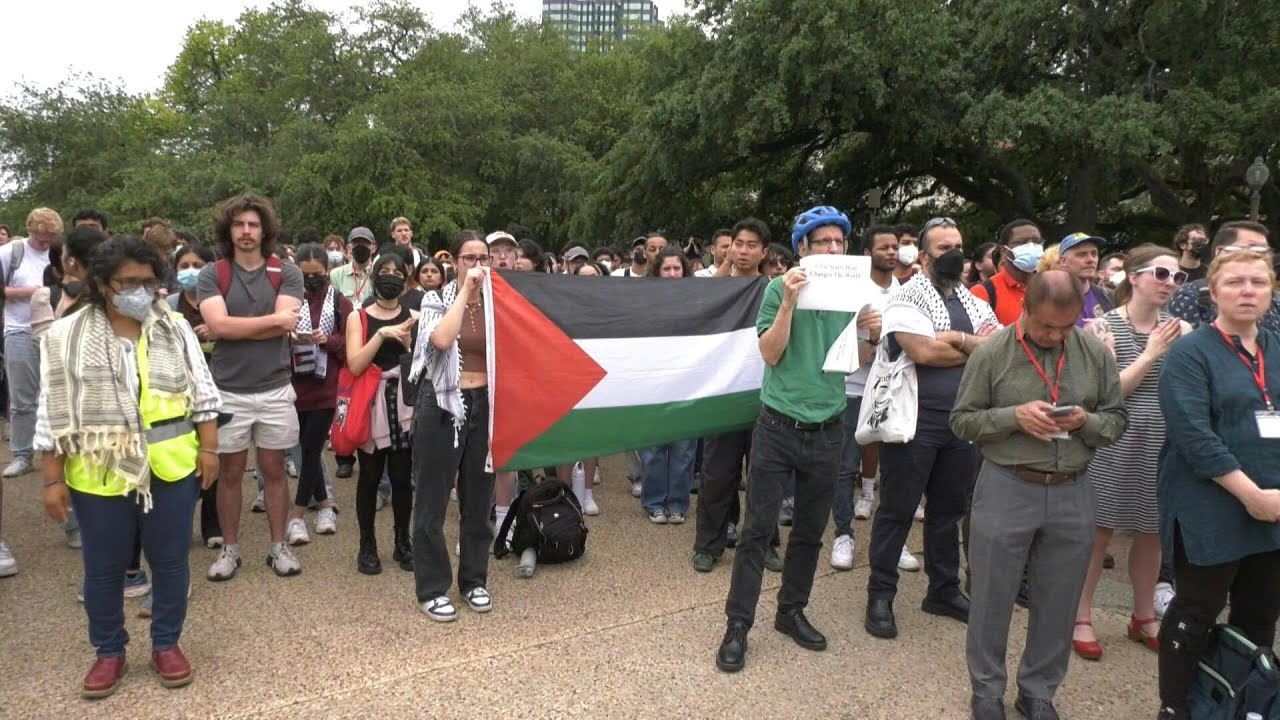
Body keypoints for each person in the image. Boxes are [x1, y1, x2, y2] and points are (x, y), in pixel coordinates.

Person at [37, 236, 222, 698]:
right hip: (100, 472)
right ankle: (108, 652)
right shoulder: (65, 336)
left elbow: (204, 395)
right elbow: (52, 412)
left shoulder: (174, 328)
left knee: (171, 562)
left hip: (172, 466)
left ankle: (166, 645)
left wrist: (211, 450)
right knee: (103, 568)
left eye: (148, 282)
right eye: (127, 282)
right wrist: (52, 480)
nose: (139, 291)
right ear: (102, 283)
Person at [951, 270, 1126, 720]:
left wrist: (1083, 422)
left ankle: (1038, 690)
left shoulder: (1093, 354)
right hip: (1008, 484)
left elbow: (1116, 421)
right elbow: (963, 421)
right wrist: (1013, 416)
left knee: (1059, 598)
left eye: (1065, 327)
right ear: (1025, 309)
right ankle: (987, 691)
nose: (1055, 335)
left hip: (1072, 488)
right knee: (992, 595)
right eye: (1046, 326)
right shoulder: (991, 353)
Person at [716, 206, 853, 673]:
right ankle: (738, 624)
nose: (833, 249)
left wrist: (871, 333)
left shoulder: (851, 295)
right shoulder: (776, 289)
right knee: (757, 530)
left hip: (829, 427)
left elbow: (858, 359)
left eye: (839, 242)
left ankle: (791, 611)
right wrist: (791, 302)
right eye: (823, 242)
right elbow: (771, 353)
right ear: (803, 249)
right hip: (778, 426)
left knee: (811, 532)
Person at [1154, 247, 1280, 720]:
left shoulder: (1275, 348)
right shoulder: (1190, 353)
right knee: (1196, 612)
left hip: (1273, 504)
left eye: (1258, 282)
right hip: (1210, 502)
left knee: (1260, 615)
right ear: (1213, 292)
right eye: (1235, 282)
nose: (1247, 291)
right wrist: (1250, 495)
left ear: (1271, 290)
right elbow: (1193, 434)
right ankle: (1177, 706)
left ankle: (1246, 704)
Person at [864, 217, 999, 641]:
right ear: (923, 256)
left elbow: (999, 349)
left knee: (947, 511)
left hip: (961, 421)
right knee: (897, 510)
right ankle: (880, 594)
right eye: (944, 248)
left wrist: (955, 338)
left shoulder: (973, 300)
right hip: (913, 422)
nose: (955, 254)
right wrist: (969, 346)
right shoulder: (905, 297)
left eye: (959, 244)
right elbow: (921, 351)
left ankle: (942, 590)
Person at [1073, 245, 1191, 663]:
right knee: (1099, 530)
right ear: (1134, 277)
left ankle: (1143, 616)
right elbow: (1107, 396)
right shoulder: (1102, 327)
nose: (1170, 284)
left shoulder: (1183, 331)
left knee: (1152, 532)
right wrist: (1151, 353)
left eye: (1178, 278)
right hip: (1114, 439)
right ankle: (1081, 615)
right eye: (1161, 274)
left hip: (1162, 441)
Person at [198, 194, 306, 581]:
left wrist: (228, 326)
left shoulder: (286, 272)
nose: (246, 231)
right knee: (230, 472)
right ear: (229, 229)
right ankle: (230, 549)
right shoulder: (213, 273)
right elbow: (271, 323)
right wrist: (271, 322)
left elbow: (279, 324)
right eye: (239, 224)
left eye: (253, 224)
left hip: (275, 386)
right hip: (228, 388)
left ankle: (278, 547)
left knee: (274, 469)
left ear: (265, 230)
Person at [409, 230, 497, 622]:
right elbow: (442, 339)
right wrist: (465, 291)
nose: (477, 265)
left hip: (486, 405)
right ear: (455, 262)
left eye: (484, 257)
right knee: (432, 500)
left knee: (479, 499)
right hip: (443, 403)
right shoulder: (434, 299)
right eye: (468, 258)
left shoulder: (501, 304)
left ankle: (474, 579)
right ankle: (432, 587)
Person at [830, 226, 917, 571]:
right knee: (845, 466)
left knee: (896, 469)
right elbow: (836, 350)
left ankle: (895, 540)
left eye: (895, 247)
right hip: (852, 389)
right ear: (868, 252)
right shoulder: (851, 292)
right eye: (884, 247)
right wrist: (865, 332)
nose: (892, 252)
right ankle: (842, 534)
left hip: (891, 390)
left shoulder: (906, 292)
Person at [693, 217, 774, 574]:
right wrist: (724, 271)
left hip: (764, 396)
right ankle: (707, 545)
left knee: (763, 475)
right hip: (723, 396)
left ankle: (765, 543)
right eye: (738, 243)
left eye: (751, 245)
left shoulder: (774, 289)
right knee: (716, 474)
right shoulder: (715, 289)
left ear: (764, 252)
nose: (743, 251)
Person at [347, 252, 417, 575]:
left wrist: (408, 343)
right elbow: (355, 364)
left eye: (397, 271)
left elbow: (422, 363)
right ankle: (367, 544)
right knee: (371, 476)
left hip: (404, 403)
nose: (391, 275)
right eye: (384, 270)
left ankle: (403, 541)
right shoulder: (358, 317)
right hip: (371, 403)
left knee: (403, 477)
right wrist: (382, 334)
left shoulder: (414, 316)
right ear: (374, 275)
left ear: (406, 278)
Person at [284, 244, 350, 545]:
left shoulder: (339, 302)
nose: (311, 279)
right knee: (304, 448)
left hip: (326, 385)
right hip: (294, 383)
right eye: (304, 274)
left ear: (327, 272)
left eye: (317, 274)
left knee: (311, 446)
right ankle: (324, 506)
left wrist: (328, 341)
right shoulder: (287, 301)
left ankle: (296, 513)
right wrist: (291, 336)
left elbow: (351, 344)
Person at [637, 248, 698, 524]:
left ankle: (678, 503)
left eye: (677, 269)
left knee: (684, 449)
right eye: (667, 269)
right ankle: (653, 502)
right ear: (657, 271)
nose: (673, 274)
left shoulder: (698, 302)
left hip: (688, 384)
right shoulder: (645, 302)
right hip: (654, 384)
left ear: (685, 271)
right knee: (654, 448)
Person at [167, 245, 222, 549]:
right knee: (185, 457)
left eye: (197, 264)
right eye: (184, 265)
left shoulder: (220, 303)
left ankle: (212, 523)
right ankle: (180, 521)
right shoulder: (170, 305)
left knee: (214, 451)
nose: (190, 270)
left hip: (218, 383)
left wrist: (217, 332)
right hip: (179, 389)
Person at [3, 208, 59, 479]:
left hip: (53, 329)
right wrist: (33, 292)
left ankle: (56, 450)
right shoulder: (12, 252)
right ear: (30, 230)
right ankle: (22, 454)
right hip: (19, 330)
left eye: (49, 238)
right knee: (22, 397)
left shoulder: (57, 253)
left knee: (55, 392)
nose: (45, 242)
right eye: (41, 237)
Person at [971, 220, 1044, 326]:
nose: (1031, 247)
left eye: (1036, 241)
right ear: (1004, 250)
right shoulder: (983, 292)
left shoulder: (1052, 286)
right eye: (1022, 242)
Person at [1054, 232, 1113, 325]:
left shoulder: (1109, 296)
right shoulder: (1049, 297)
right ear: (1063, 261)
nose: (1091, 260)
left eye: (1094, 254)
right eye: (1081, 254)